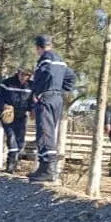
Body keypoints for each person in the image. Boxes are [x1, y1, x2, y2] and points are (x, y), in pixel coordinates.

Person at [28, 35, 77, 183]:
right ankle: (43, 168)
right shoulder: (60, 60)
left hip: (46, 98)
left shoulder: (46, 58)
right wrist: (59, 90)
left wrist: (38, 92)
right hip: (56, 99)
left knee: (44, 132)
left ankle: (48, 170)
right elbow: (71, 77)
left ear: (38, 47)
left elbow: (45, 74)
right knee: (48, 131)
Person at [0, 66, 34, 173]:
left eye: (27, 75)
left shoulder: (32, 86)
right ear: (18, 73)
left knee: (20, 140)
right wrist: (4, 105)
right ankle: (10, 165)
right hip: (8, 114)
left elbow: (33, 101)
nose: (24, 77)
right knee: (11, 137)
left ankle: (17, 163)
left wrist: (33, 110)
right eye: (22, 74)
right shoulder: (7, 83)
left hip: (22, 115)